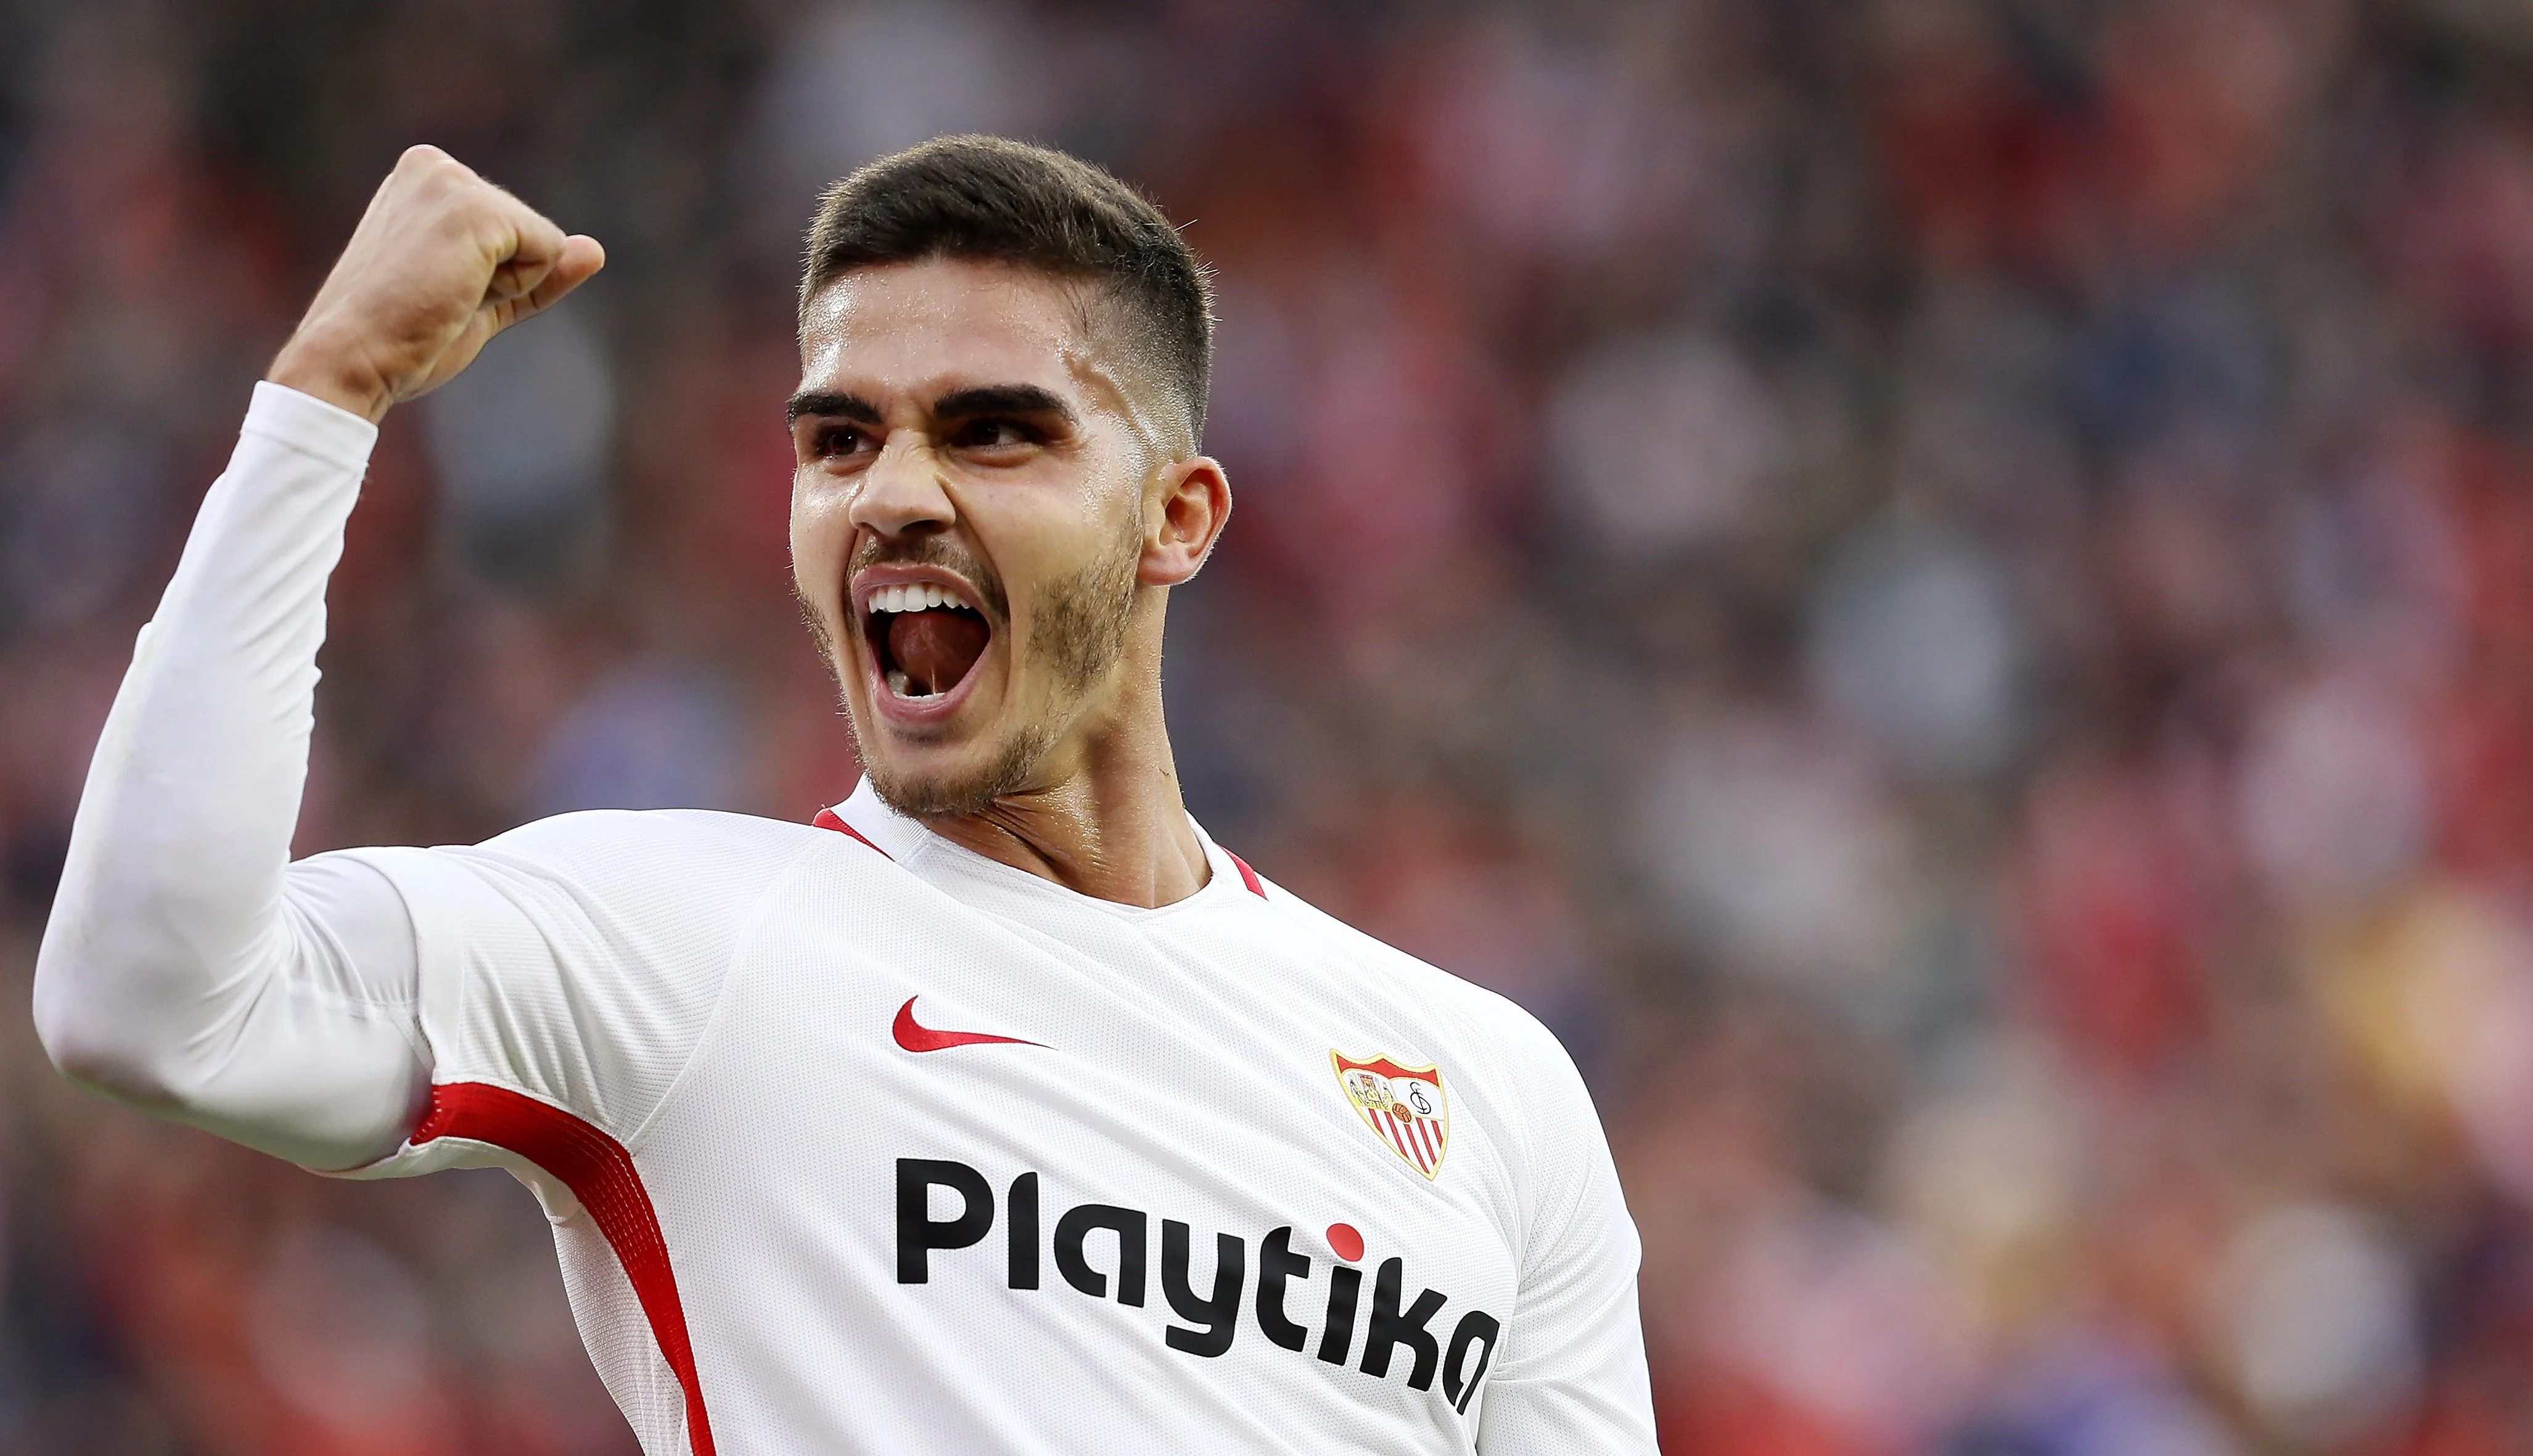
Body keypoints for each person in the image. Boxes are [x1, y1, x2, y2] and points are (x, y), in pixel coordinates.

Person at [32, 136, 1656, 1454]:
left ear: (1176, 515)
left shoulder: (1488, 1088)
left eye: (992, 434)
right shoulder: (679, 941)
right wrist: (327, 395)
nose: (889, 495)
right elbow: (147, 999)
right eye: (839, 440)